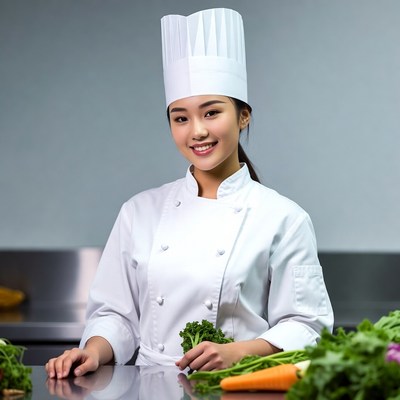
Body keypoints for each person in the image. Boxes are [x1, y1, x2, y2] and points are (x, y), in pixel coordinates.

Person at [46, 8, 333, 379]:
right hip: (150, 387)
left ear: (243, 115)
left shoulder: (284, 218)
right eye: (181, 118)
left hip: (240, 387)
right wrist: (93, 352)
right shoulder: (139, 212)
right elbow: (116, 315)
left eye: (211, 113)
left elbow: (307, 325)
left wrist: (238, 353)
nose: (196, 131)